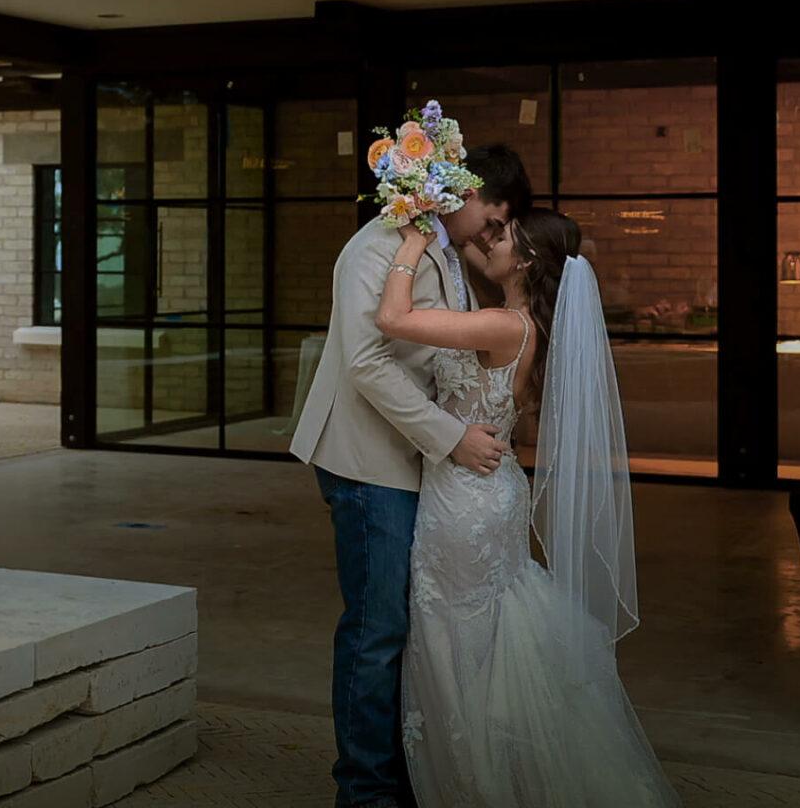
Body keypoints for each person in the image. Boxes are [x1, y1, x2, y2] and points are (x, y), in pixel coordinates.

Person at [375, 211, 677, 806]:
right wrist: (440, 217)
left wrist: (410, 242)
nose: (490, 241)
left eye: (503, 236)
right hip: (493, 488)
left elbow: (392, 320)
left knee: (457, 647)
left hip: (466, 500)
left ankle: (483, 786)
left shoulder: (502, 325)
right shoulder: (527, 322)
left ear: (528, 261)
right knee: (488, 641)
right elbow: (471, 258)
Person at [288, 143, 530, 808]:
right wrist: (452, 438)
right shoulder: (376, 246)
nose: (491, 236)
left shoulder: (446, 247)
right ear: (466, 192)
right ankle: (365, 794)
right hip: (367, 459)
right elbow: (366, 362)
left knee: (406, 626)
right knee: (377, 629)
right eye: (491, 220)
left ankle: (402, 777)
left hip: (411, 459)